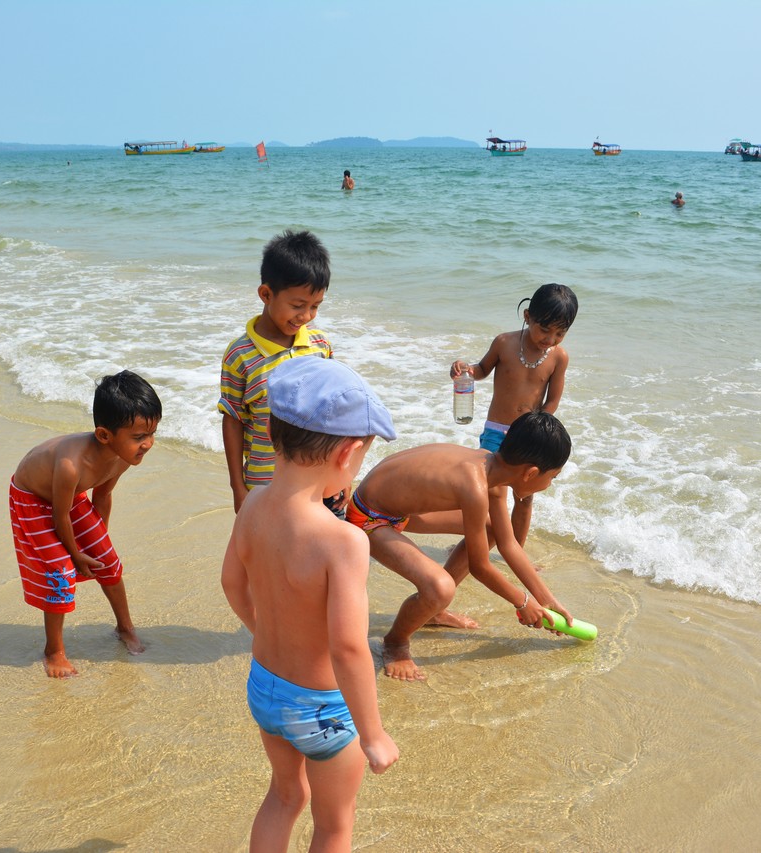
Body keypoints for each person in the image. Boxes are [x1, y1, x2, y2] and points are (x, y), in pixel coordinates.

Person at [221, 357, 400, 850]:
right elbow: (347, 648)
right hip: (323, 710)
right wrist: (373, 734)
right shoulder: (342, 541)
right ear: (347, 452)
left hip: (265, 688)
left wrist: (262, 631)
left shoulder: (253, 503)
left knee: (283, 797)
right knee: (333, 825)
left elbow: (232, 583)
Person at [347, 411, 576, 681]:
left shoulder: (491, 471)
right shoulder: (474, 485)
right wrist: (522, 602)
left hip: (399, 509)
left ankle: (433, 610)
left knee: (490, 528)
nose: (549, 485)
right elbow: (480, 567)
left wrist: (547, 600)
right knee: (439, 587)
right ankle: (395, 643)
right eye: (553, 477)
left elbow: (508, 543)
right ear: (531, 473)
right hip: (369, 517)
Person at [9, 370, 160, 677]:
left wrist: (97, 541)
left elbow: (102, 496)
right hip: (33, 499)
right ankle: (54, 650)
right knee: (60, 573)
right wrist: (76, 554)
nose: (148, 444)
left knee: (109, 562)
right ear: (105, 435)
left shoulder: (121, 457)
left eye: (151, 433)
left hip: (69, 498)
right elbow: (58, 515)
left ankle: (125, 628)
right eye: (139, 437)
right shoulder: (71, 464)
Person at [218, 230, 349, 516]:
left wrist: (343, 471)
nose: (306, 316)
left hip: (321, 482)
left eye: (315, 306)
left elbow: (333, 408)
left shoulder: (319, 345)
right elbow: (233, 419)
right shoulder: (241, 355)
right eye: (297, 306)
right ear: (266, 294)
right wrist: (237, 487)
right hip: (265, 486)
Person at [449, 283, 578, 545]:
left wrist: (536, 429)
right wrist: (466, 370)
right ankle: (476, 543)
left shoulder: (558, 357)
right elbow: (482, 370)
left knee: (524, 497)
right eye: (544, 329)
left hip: (528, 437)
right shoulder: (504, 343)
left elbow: (552, 400)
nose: (549, 339)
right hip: (497, 431)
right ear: (528, 316)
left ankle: (516, 550)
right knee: (487, 491)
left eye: (559, 333)